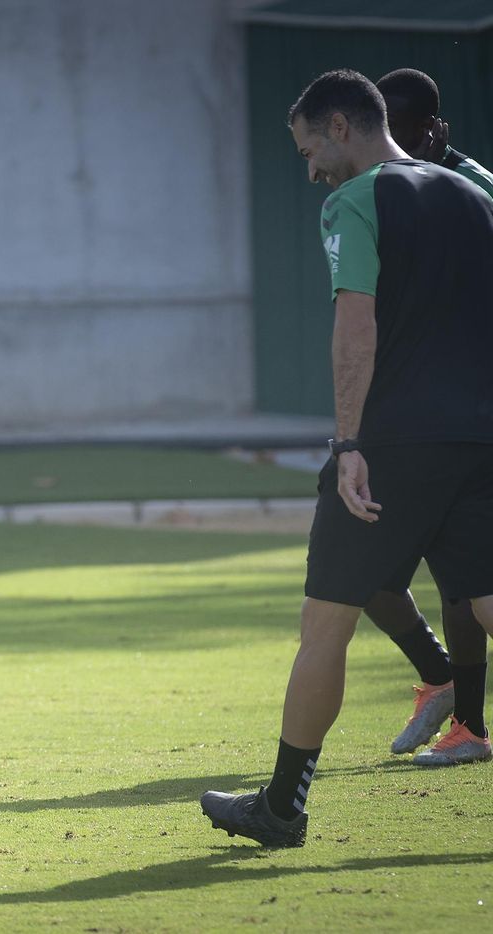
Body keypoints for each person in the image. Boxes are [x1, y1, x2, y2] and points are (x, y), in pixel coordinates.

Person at [201, 69, 493, 847]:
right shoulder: (474, 194)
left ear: (339, 126)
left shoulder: (355, 200)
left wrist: (348, 443)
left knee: (324, 626)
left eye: (308, 151)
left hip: (394, 442)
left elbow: (355, 325)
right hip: (481, 438)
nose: (310, 172)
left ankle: (282, 808)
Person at [355, 67, 493, 766]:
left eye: (402, 132)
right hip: (409, 413)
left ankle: (469, 725)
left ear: (431, 130)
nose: (391, 146)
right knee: (366, 574)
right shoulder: (381, 192)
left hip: (466, 414)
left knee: (464, 585)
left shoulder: (473, 189)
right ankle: (441, 680)